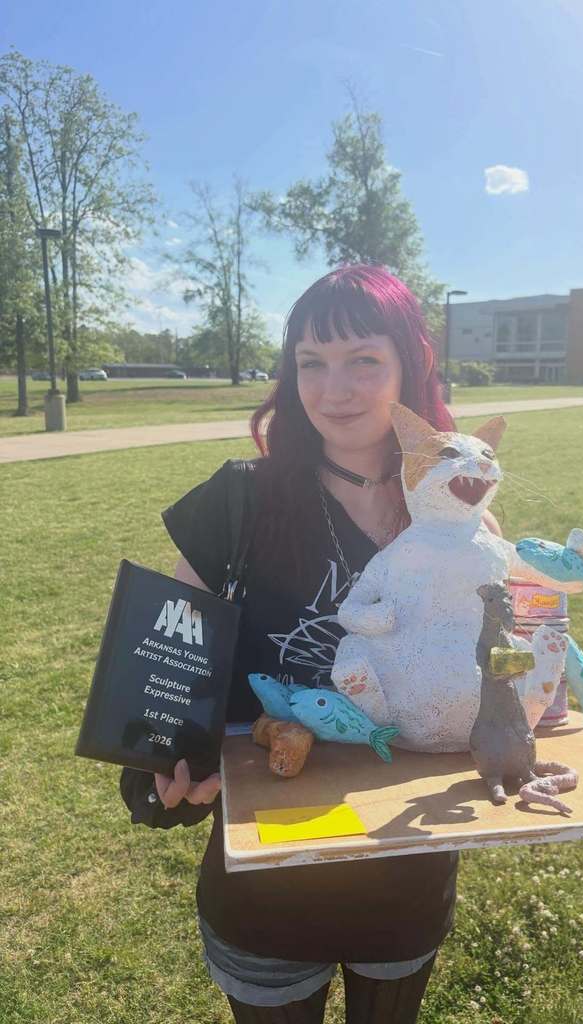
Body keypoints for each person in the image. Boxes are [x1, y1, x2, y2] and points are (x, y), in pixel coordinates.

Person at [120, 264, 504, 1023]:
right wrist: (159, 764)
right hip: (268, 887)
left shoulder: (460, 518)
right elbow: (166, 664)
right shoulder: (241, 498)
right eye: (310, 363)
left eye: (364, 359)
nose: (335, 389)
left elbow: (502, 663)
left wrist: (524, 739)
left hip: (406, 872)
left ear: (409, 367)